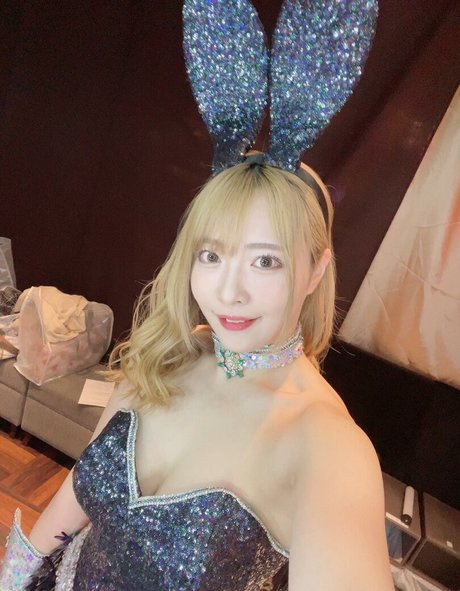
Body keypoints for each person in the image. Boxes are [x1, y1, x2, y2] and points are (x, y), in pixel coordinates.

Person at [1, 1, 394, 589]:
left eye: (265, 260)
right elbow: (75, 501)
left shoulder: (328, 450)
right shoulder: (169, 356)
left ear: (316, 270)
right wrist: (15, 574)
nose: (228, 291)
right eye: (212, 255)